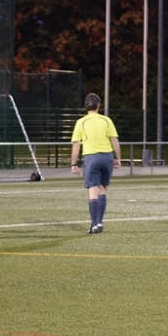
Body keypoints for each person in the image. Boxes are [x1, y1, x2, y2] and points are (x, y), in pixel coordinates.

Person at [69, 93, 122, 234]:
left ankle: (94, 224)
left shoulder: (81, 122)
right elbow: (114, 140)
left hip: (91, 158)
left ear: (86, 106)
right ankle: (99, 222)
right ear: (99, 105)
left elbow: (76, 145)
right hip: (107, 157)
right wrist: (118, 158)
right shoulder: (106, 120)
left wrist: (73, 164)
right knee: (102, 189)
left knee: (92, 191)